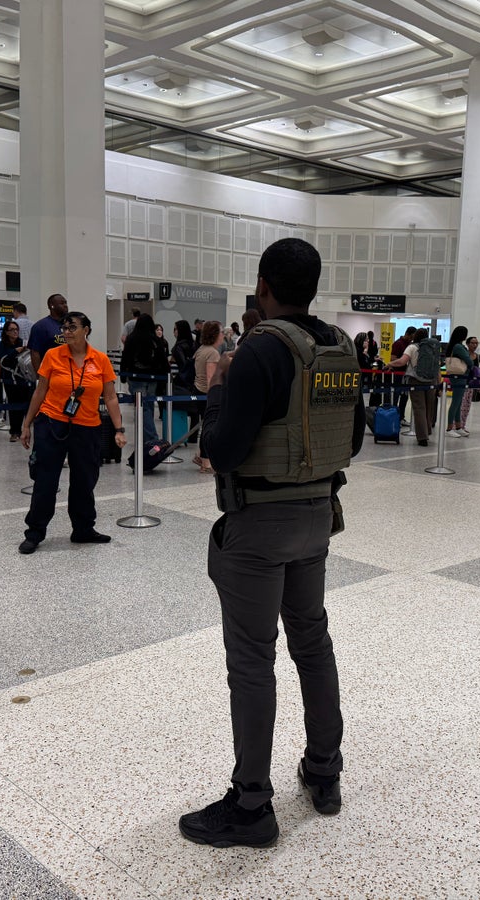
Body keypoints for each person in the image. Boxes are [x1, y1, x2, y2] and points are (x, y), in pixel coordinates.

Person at [179, 238, 363, 848]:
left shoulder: (259, 349)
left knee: (253, 662)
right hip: (318, 516)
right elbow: (352, 441)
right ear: (313, 286)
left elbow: (222, 449)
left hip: (259, 522)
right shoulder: (338, 348)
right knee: (312, 642)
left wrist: (219, 389)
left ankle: (252, 804)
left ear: (263, 286)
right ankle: (324, 772)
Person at [18, 311, 126, 553]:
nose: (66, 332)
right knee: (46, 481)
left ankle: (83, 529)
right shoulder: (53, 356)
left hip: (87, 427)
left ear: (86, 330)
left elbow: (110, 397)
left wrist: (119, 429)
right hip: (52, 423)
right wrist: (27, 424)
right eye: (64, 328)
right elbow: (40, 391)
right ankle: (34, 532)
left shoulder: (100, 360)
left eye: (72, 328)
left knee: (84, 481)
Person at [384, 326, 439, 446]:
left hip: (416, 380)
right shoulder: (433, 347)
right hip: (431, 381)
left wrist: (390, 364)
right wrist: (438, 382)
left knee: (419, 408)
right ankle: (428, 431)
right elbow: (437, 366)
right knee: (429, 407)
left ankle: (422, 437)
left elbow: (402, 361)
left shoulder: (412, 347)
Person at [119, 313, 169, 441]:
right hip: (152, 378)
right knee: (148, 406)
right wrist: (165, 375)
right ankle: (147, 437)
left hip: (135, 378)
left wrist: (123, 374)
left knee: (142, 407)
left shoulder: (132, 338)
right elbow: (163, 359)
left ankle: (151, 438)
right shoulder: (155, 339)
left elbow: (126, 357)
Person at [191, 321, 224, 474]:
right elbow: (211, 378)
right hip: (206, 394)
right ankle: (205, 461)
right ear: (215, 334)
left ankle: (200, 456)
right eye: (221, 332)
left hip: (198, 390)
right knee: (209, 427)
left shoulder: (201, 349)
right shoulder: (212, 353)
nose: (223, 335)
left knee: (205, 425)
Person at [0, 321, 33, 442]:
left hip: (24, 379)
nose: (15, 332)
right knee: (14, 406)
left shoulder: (23, 343)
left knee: (27, 405)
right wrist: (15, 352)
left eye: (16, 329)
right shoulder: (2, 345)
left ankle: (26, 429)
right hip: (10, 380)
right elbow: (3, 361)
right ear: (6, 332)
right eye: (12, 329)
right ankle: (15, 431)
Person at [171, 319, 200, 440]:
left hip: (183, 380)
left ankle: (179, 434)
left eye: (175, 329)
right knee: (195, 409)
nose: (174, 332)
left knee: (178, 406)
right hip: (195, 379)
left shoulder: (178, 347)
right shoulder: (194, 344)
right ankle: (193, 436)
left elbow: (183, 365)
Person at [29, 293, 68, 373]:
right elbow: (35, 353)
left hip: (70, 370)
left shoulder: (70, 325)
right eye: (62, 303)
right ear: (52, 306)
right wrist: (39, 375)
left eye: (65, 303)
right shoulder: (41, 326)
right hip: (51, 371)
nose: (65, 305)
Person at [445, 326, 473, 436]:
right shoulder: (458, 347)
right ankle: (449, 428)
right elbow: (469, 361)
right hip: (459, 376)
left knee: (458, 402)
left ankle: (458, 426)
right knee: (456, 402)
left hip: (457, 376)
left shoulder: (454, 345)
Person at [389, 326, 416, 422]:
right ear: (407, 334)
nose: (412, 339)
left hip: (406, 374)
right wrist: (404, 361)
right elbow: (392, 358)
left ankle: (401, 417)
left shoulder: (410, 345)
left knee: (404, 396)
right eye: (411, 337)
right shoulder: (398, 343)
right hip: (397, 374)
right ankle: (394, 417)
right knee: (396, 396)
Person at [456, 336, 480, 435]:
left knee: (467, 405)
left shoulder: (477, 356)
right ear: (467, 344)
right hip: (463, 382)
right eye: (472, 343)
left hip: (472, 384)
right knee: (461, 405)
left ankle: (463, 425)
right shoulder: (464, 354)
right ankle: (456, 425)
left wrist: (479, 384)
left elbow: (477, 371)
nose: (475, 345)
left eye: (476, 343)